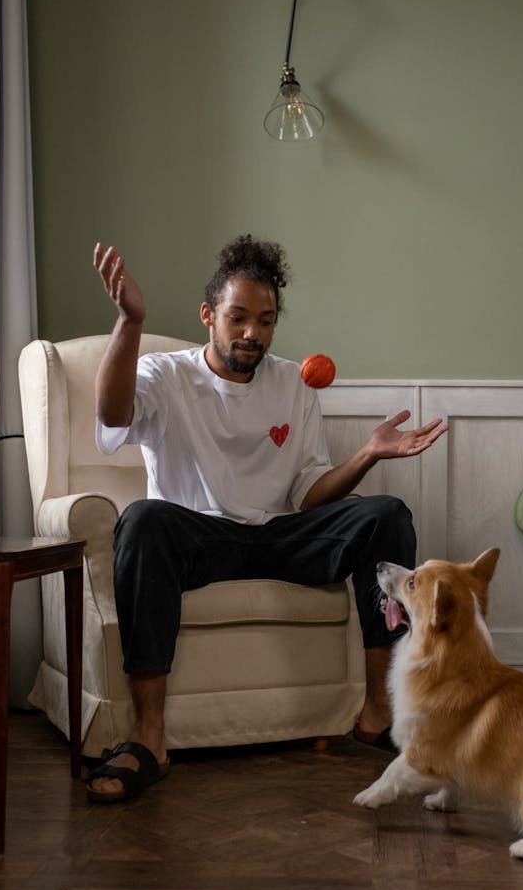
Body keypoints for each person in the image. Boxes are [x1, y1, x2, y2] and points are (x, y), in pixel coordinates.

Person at [87, 235, 447, 801]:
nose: (252, 332)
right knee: (143, 519)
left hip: (279, 535)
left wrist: (368, 455)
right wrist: (130, 321)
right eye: (238, 317)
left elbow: (308, 497)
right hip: (198, 535)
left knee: (386, 516)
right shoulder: (165, 373)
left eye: (266, 320)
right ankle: (149, 735)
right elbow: (111, 415)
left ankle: (379, 712)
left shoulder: (294, 383)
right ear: (209, 316)